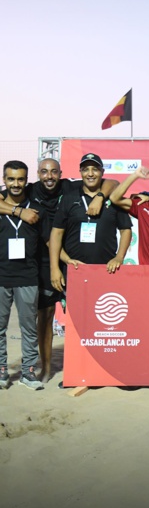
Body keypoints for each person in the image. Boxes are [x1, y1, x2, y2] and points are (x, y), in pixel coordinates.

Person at [0, 157, 119, 382]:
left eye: (54, 172)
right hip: (43, 261)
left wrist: (101, 197)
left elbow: (111, 182)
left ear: (60, 173)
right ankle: (45, 368)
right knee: (44, 316)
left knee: (85, 314)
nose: (49, 177)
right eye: (44, 172)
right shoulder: (29, 189)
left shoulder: (69, 185)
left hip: (72, 258)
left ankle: (89, 364)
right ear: (37, 174)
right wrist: (18, 211)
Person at [49, 154, 133, 292]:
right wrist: (56, 267)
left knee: (103, 310)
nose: (90, 173)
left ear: (102, 172)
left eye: (95, 169)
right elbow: (56, 233)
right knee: (74, 312)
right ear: (80, 172)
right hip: (74, 268)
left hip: (106, 269)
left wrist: (119, 257)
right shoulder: (68, 198)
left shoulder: (113, 199)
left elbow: (125, 230)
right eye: (86, 169)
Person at [0, 161, 49, 390]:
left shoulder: (37, 207)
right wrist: (18, 211)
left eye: (20, 179)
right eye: (11, 179)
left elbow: (50, 239)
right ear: (4, 180)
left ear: (26, 180)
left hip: (28, 277)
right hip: (1, 276)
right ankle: (2, 371)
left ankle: (28, 372)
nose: (16, 184)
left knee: (29, 327)